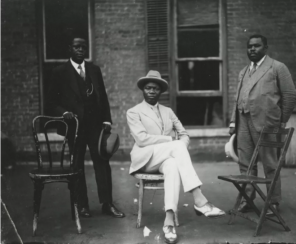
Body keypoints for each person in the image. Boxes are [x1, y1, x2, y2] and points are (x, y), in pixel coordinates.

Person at [127, 70, 225, 244]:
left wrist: (178, 145)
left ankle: (169, 220)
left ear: (160, 92)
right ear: (143, 90)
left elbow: (184, 135)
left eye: (155, 89)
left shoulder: (168, 111)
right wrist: (172, 141)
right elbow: (142, 139)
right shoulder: (134, 112)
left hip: (167, 158)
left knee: (172, 164)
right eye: (148, 88)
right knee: (177, 146)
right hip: (145, 159)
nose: (151, 91)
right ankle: (199, 199)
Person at [47, 34, 125, 218]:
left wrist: (107, 120)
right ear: (69, 49)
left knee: (103, 163)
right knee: (77, 165)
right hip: (74, 127)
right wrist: (63, 113)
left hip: (96, 125)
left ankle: (107, 204)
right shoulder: (60, 72)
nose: (80, 50)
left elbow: (102, 96)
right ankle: (82, 205)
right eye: (76, 47)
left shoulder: (94, 70)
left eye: (83, 47)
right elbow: (51, 102)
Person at [228, 34, 296, 216]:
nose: (252, 49)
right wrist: (233, 121)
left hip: (267, 124)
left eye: (257, 46)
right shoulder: (243, 71)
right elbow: (238, 98)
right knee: (245, 164)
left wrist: (281, 121)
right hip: (243, 122)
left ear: (265, 48)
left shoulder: (277, 68)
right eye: (249, 46)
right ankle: (247, 199)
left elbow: (290, 96)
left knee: (270, 164)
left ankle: (273, 202)